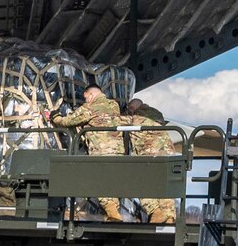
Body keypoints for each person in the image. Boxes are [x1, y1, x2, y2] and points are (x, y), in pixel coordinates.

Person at [47, 86, 124, 221]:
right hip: (118, 151)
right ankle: (113, 213)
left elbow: (67, 121)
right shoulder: (114, 105)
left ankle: (113, 215)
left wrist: (55, 116)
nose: (86, 100)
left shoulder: (90, 107)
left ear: (91, 94)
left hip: (101, 151)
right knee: (112, 182)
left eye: (86, 97)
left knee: (100, 181)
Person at [123, 97, 179, 225]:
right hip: (167, 154)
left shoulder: (136, 117)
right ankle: (169, 215)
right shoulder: (155, 113)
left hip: (149, 155)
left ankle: (156, 211)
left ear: (132, 108)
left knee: (143, 182)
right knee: (164, 184)